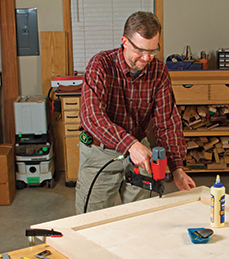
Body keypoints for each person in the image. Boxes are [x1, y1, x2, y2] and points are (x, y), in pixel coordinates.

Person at [75, 11, 196, 214]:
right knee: (90, 223)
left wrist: (177, 168)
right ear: (125, 41)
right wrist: (129, 144)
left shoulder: (159, 71)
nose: (146, 57)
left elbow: (167, 123)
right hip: (101, 152)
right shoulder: (100, 65)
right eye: (140, 50)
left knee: (142, 217)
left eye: (152, 51)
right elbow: (92, 117)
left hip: (141, 154)